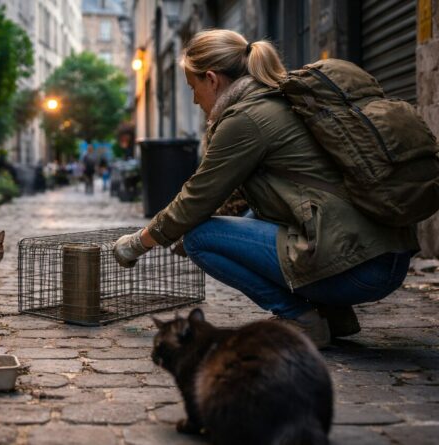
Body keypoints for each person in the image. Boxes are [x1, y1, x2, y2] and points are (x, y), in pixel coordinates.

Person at [113, 29, 418, 348]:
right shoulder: (276, 98)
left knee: (200, 239)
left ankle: (300, 318)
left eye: (194, 87)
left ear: (212, 79)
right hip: (383, 257)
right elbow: (242, 202)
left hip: (363, 269)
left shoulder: (245, 119)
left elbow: (195, 199)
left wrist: (137, 243)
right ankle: (331, 316)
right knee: (252, 214)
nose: (194, 99)